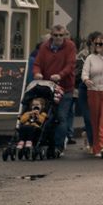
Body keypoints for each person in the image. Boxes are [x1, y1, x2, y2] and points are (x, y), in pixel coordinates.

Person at [32, 24, 75, 152]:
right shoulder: (44, 47)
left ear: (64, 35)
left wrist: (60, 75)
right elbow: (37, 64)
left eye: (61, 35)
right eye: (55, 35)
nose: (58, 38)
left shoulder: (70, 46)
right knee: (47, 116)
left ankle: (58, 146)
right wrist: (37, 73)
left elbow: (70, 65)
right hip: (48, 86)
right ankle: (46, 142)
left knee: (61, 116)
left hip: (65, 87)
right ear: (51, 35)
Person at [74, 33, 100, 152]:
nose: (98, 45)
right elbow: (75, 73)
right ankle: (92, 143)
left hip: (101, 89)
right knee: (89, 118)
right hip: (85, 89)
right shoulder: (82, 55)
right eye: (95, 43)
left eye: (100, 43)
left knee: (100, 118)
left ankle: (99, 142)